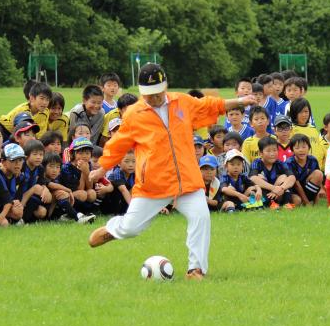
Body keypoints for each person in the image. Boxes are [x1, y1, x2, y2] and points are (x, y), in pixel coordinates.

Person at [87, 63, 257, 281]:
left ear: (164, 87)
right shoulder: (134, 114)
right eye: (148, 95)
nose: (154, 98)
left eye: (157, 93)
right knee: (131, 229)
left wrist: (240, 101)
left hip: (186, 179)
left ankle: (195, 270)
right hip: (153, 184)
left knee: (201, 217)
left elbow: (208, 105)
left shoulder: (181, 102)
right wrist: (102, 167)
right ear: (141, 92)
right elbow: (119, 144)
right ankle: (113, 230)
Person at [249, 137, 296, 209]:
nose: (272, 154)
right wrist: (273, 188)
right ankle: (270, 203)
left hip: (278, 193)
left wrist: (281, 188)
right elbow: (253, 178)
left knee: (284, 177)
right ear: (261, 153)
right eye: (268, 151)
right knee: (259, 176)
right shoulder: (257, 163)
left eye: (275, 150)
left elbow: (292, 177)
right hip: (264, 192)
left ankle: (286, 203)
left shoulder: (280, 163)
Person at [286, 134, 322, 206]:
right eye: (297, 148)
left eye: (304, 147)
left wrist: (316, 203)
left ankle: (310, 201)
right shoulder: (289, 162)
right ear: (292, 150)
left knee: (318, 173)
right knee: (297, 201)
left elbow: (318, 182)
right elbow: (296, 185)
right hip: (294, 190)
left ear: (309, 147)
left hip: (307, 188)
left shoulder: (313, 160)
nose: (301, 150)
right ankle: (304, 202)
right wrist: (307, 203)